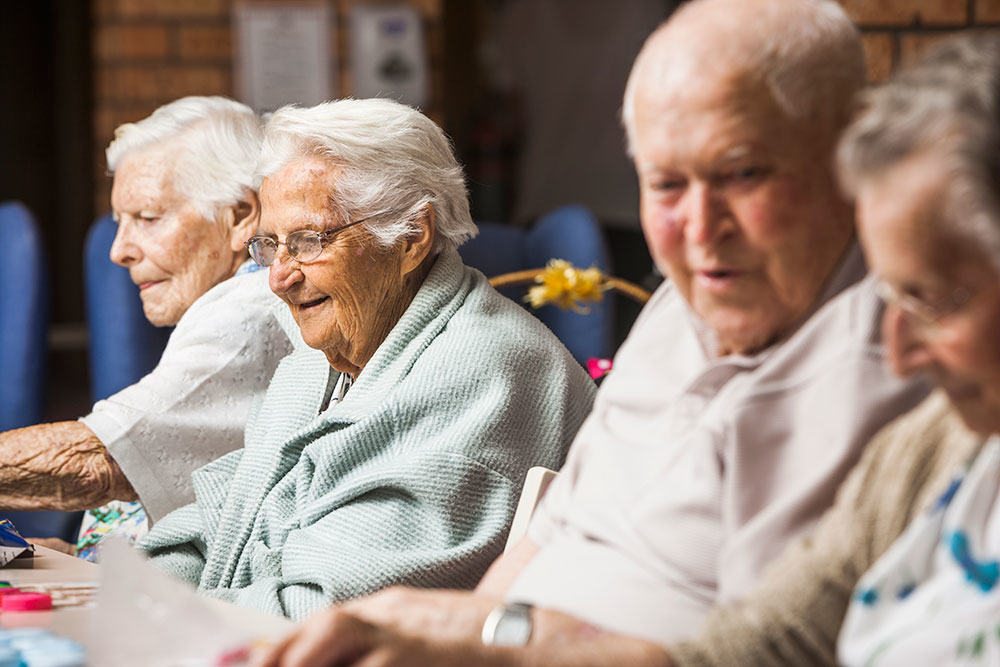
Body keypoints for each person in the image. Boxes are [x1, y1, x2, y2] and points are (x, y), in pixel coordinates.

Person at [253, 31, 1000, 667]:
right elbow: (766, 637)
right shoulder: (928, 445)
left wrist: (504, 639)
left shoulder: (906, 388)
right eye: (665, 183)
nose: (699, 231)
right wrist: (479, 634)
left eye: (742, 174)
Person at [139, 98, 596, 621]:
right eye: (270, 246)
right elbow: (217, 531)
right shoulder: (319, 364)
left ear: (410, 237)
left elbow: (327, 612)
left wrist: (160, 618)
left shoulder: (482, 376)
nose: (278, 277)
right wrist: (130, 593)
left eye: (310, 241)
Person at [0, 97, 293, 558]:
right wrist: (76, 558)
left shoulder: (254, 310)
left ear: (239, 217)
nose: (119, 252)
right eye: (120, 222)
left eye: (148, 218)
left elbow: (98, 460)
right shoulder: (234, 300)